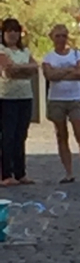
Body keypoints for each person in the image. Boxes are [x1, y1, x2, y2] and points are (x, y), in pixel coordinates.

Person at [42, 23, 80, 184]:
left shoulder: (76, 54)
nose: (61, 39)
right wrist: (68, 71)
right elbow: (49, 75)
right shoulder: (48, 57)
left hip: (75, 99)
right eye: (58, 36)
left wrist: (60, 73)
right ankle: (68, 172)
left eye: (64, 35)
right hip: (56, 100)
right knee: (61, 135)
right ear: (52, 38)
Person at [0, 18, 38, 187]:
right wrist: (24, 70)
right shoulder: (1, 50)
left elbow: (35, 67)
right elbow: (9, 70)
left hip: (25, 96)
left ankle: (20, 172)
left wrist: (21, 69)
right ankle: (6, 173)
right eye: (9, 31)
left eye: (16, 31)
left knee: (21, 135)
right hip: (7, 97)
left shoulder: (25, 50)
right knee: (7, 136)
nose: (13, 34)